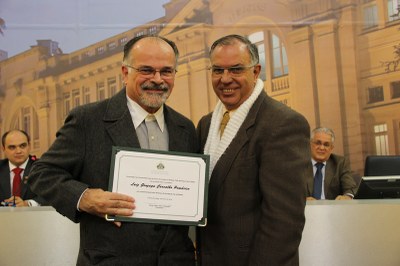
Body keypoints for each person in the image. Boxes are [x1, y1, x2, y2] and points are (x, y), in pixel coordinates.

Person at [28, 35, 197, 265]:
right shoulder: (88, 120)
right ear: (125, 73)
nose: (158, 79)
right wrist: (85, 197)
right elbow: (41, 173)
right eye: (146, 70)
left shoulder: (185, 127)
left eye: (166, 71)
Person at [196, 34, 311, 265]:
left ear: (256, 71)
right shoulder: (206, 124)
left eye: (236, 69)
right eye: (218, 70)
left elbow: (284, 222)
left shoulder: (283, 123)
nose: (225, 79)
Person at [306, 127, 357, 200]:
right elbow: (291, 190)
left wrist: (347, 197)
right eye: (318, 143)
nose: (322, 148)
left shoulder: (340, 163)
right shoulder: (300, 163)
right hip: (306, 209)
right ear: (310, 144)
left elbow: (350, 188)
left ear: (331, 148)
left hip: (332, 209)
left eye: (326, 145)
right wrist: (302, 199)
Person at [0, 129, 44, 207]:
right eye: (12, 147)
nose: (18, 151)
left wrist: (28, 204)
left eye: (23, 146)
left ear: (29, 146)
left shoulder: (42, 167)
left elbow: (54, 195)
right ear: (3, 149)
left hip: (34, 217)